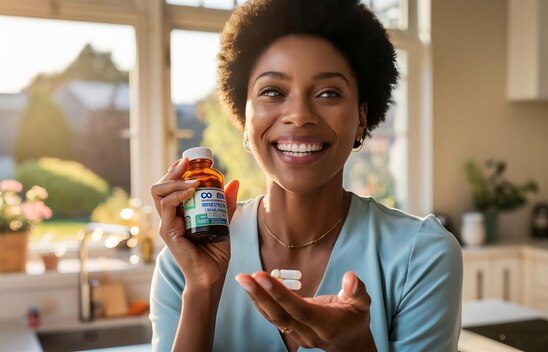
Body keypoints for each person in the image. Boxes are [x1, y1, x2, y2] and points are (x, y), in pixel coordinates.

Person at [149, 0, 462, 351]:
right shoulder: (186, 261)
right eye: (273, 92)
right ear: (244, 116)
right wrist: (202, 288)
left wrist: (356, 345)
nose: (299, 115)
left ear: (361, 117)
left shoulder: (421, 255)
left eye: (328, 92)